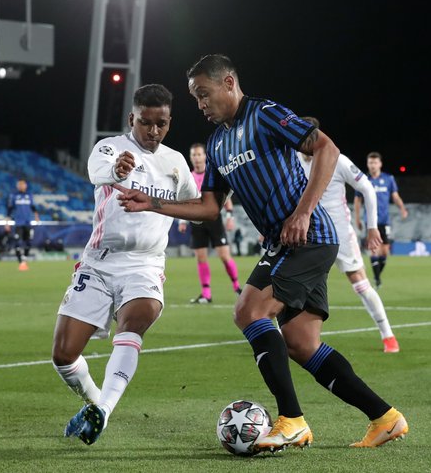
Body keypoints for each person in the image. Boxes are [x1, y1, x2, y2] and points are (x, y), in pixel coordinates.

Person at [116, 54, 408, 451]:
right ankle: (385, 418)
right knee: (301, 343)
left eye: (204, 94)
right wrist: (152, 202)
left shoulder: (265, 114)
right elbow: (209, 208)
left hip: (308, 236)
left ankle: (291, 421)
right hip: (283, 243)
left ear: (229, 83)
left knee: (248, 311)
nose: (200, 104)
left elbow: (327, 149)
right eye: (195, 98)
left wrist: (303, 212)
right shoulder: (218, 143)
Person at [51, 84, 198, 446]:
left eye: (161, 124)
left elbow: (196, 207)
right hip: (99, 263)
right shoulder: (110, 147)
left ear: (169, 122)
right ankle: (94, 403)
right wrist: (118, 170)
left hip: (145, 265)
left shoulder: (176, 162)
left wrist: (164, 206)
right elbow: (97, 172)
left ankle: (104, 410)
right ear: (132, 118)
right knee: (64, 355)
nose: (153, 131)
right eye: (146, 123)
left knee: (136, 320)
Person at [298, 117, 399, 353]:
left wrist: (372, 226)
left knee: (360, 283)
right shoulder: (290, 159)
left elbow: (367, 188)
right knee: (290, 284)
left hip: (338, 233)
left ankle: (388, 336)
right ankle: (285, 336)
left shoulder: (336, 159)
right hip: (308, 233)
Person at [178, 142, 241, 304]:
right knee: (201, 258)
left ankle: (237, 287)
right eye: (194, 155)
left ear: (205, 156)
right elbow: (184, 200)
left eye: (199, 154)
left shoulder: (213, 175)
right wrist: (182, 220)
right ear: (191, 158)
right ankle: (206, 294)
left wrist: (229, 217)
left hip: (214, 219)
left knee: (224, 256)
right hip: (196, 221)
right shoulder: (189, 177)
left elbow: (225, 198)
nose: (197, 158)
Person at [354, 152, 408, 288]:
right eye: (370, 162)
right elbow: (357, 200)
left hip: (385, 220)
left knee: (384, 252)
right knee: (374, 250)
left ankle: (377, 276)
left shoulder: (389, 179)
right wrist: (357, 219)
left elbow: (395, 196)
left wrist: (402, 208)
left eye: (375, 162)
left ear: (380, 164)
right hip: (371, 222)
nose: (372, 165)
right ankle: (377, 279)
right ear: (367, 164)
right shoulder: (363, 179)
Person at [6, 179, 40, 271]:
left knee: (28, 242)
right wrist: (7, 223)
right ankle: (21, 261)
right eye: (19, 184)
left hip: (27, 222)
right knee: (18, 241)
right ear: (17, 186)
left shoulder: (29, 195)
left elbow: (33, 207)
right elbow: (9, 210)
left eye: (22, 184)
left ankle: (24, 259)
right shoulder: (14, 196)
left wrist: (36, 217)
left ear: (25, 186)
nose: (21, 186)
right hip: (18, 223)